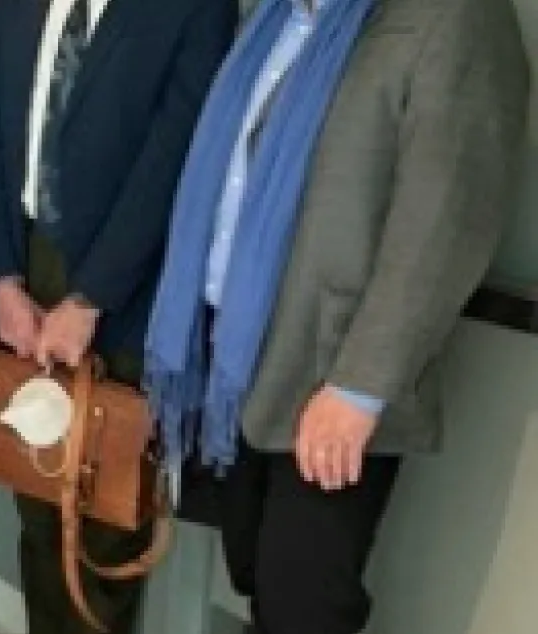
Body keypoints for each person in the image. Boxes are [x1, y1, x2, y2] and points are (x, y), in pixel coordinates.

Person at [142, 0, 527, 632]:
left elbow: (444, 224)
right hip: (235, 362)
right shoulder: (274, 20)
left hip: (332, 373)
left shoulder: (457, 19)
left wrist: (359, 389)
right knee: (255, 575)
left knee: (305, 603)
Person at [0, 0, 234, 631]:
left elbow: (174, 161)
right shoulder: (12, 8)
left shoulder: (195, 11)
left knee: (109, 514)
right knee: (35, 490)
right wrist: (0, 278)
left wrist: (90, 298)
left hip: (129, 287)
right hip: (26, 275)